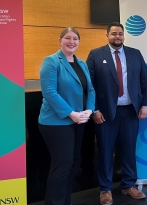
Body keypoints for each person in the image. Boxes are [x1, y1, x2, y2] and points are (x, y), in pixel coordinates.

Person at [86, 22, 147, 205]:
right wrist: (95, 110)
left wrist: (145, 105)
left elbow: (145, 81)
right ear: (106, 35)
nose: (117, 36)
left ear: (124, 36)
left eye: (120, 33)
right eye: (114, 33)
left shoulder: (135, 54)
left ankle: (129, 185)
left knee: (129, 150)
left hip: (130, 112)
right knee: (105, 152)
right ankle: (105, 189)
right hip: (105, 114)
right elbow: (89, 85)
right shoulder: (95, 54)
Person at [38, 27, 95, 205]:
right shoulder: (51, 61)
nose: (72, 42)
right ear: (60, 40)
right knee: (62, 166)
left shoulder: (81, 63)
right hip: (56, 122)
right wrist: (71, 114)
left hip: (78, 120)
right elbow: (49, 92)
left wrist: (89, 110)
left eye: (75, 39)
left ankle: (65, 202)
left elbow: (91, 89)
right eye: (68, 38)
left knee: (71, 165)